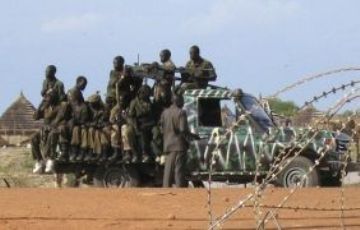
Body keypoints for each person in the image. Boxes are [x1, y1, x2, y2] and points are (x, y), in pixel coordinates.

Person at [161, 94, 199, 188]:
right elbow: (183, 129)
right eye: (182, 101)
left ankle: (166, 188)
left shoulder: (165, 113)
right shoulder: (181, 112)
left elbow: (162, 128)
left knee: (168, 170)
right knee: (179, 170)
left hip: (168, 144)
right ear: (177, 101)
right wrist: (192, 137)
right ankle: (179, 190)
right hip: (179, 144)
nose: (183, 103)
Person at [32, 89, 70, 173]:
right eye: (46, 96)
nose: (47, 98)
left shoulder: (60, 107)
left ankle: (50, 159)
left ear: (54, 97)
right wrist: (41, 104)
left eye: (49, 96)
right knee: (34, 137)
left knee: (52, 135)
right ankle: (39, 161)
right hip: (44, 130)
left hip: (56, 129)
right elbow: (35, 117)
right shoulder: (45, 107)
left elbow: (59, 119)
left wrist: (51, 126)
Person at [128, 85, 155, 163]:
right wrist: (136, 126)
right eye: (146, 94)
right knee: (137, 133)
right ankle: (141, 153)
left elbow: (152, 113)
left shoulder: (149, 101)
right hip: (139, 123)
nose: (147, 96)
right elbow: (131, 116)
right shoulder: (134, 102)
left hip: (150, 122)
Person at [67, 76, 90, 162]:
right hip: (74, 118)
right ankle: (75, 152)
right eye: (84, 84)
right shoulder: (74, 92)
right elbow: (76, 108)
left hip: (77, 117)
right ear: (78, 82)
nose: (84, 87)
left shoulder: (77, 92)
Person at [87, 93, 111, 162]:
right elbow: (87, 120)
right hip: (96, 128)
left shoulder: (105, 108)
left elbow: (105, 120)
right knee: (93, 131)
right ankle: (94, 153)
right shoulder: (90, 109)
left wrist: (99, 124)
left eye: (93, 103)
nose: (91, 104)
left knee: (103, 132)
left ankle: (104, 154)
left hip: (105, 127)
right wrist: (92, 124)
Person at [153, 49, 176, 117]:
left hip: (164, 90)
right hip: (159, 89)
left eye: (162, 56)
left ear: (167, 56)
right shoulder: (164, 65)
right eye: (160, 56)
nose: (160, 58)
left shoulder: (169, 64)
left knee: (164, 107)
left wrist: (158, 66)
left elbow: (171, 68)